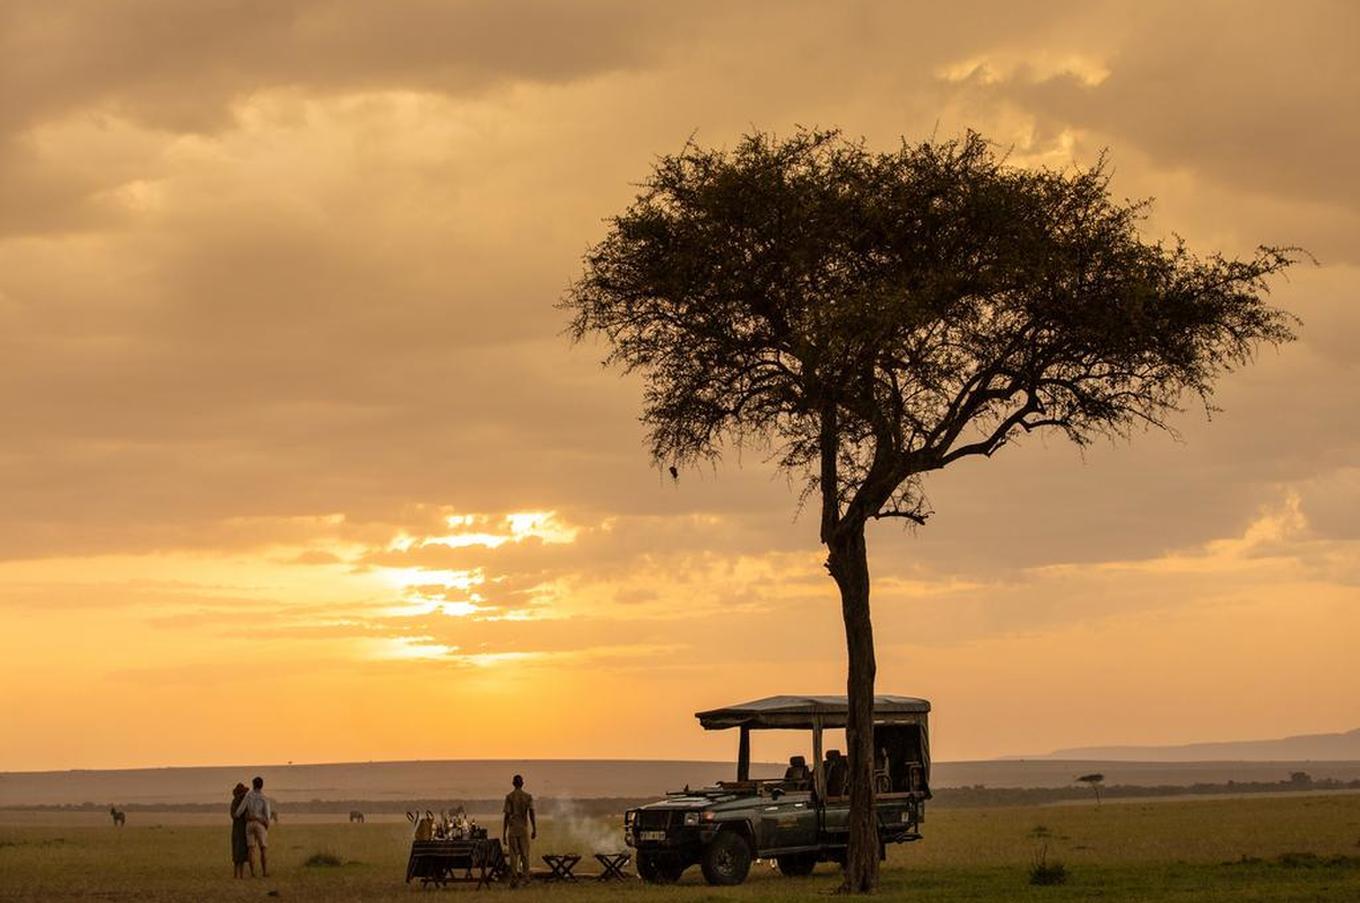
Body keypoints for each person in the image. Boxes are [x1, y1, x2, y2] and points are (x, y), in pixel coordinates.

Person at [233, 776, 272, 877]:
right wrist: (266, 824)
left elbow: (240, 810)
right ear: (262, 785)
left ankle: (252, 873)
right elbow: (267, 815)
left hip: (249, 824)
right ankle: (264, 872)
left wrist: (236, 815)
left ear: (253, 784)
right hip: (260, 824)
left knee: (251, 848)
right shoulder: (264, 797)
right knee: (263, 848)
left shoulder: (248, 795)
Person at [502, 774, 536, 887]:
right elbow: (531, 813)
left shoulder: (509, 797)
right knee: (525, 854)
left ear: (513, 784)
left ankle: (514, 879)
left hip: (512, 829)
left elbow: (506, 816)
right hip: (523, 829)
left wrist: (503, 833)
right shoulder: (527, 797)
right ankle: (526, 878)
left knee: (513, 856)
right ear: (522, 783)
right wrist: (534, 828)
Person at [230, 783, 250, 878]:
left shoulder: (234, 801)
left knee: (236, 850)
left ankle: (235, 874)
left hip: (236, 827)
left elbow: (233, 815)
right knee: (241, 851)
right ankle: (241, 875)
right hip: (242, 827)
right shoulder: (244, 801)